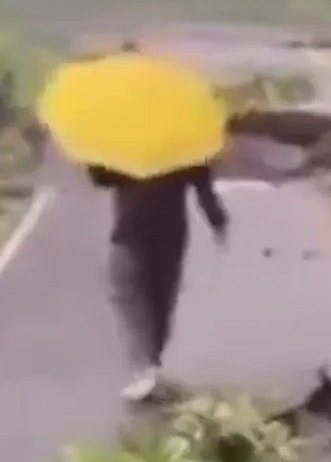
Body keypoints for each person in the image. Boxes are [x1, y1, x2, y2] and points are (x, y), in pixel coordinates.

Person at [90, 160, 230, 403]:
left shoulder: (123, 145)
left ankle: (146, 368)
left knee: (128, 294)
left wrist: (99, 159)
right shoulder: (183, 141)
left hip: (131, 229)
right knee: (161, 295)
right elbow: (202, 184)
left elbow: (101, 178)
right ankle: (151, 364)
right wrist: (217, 219)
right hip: (172, 227)